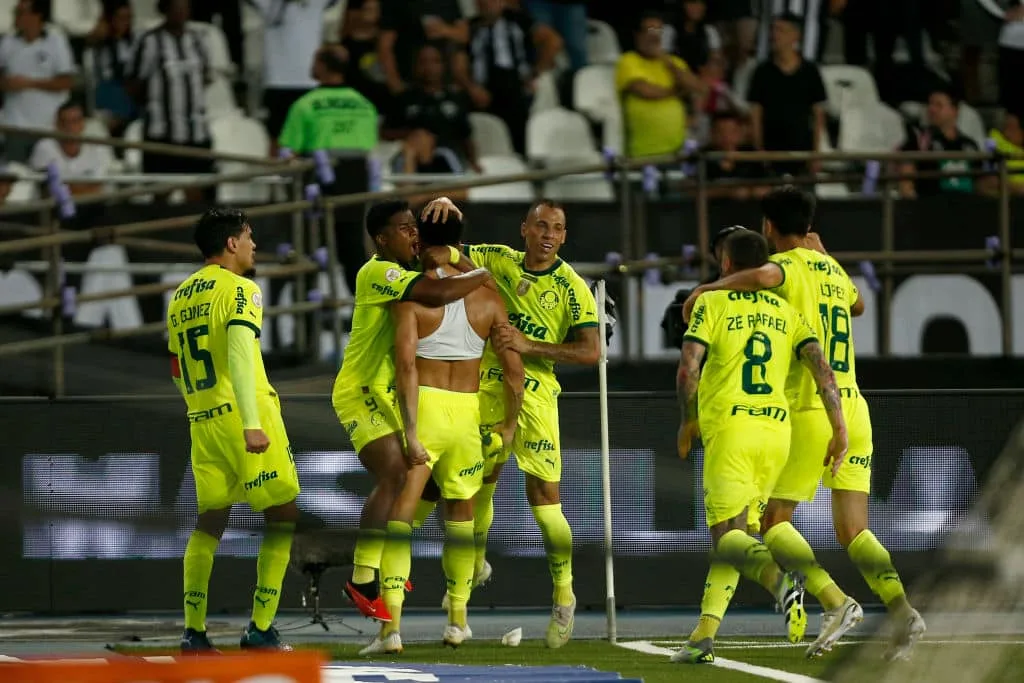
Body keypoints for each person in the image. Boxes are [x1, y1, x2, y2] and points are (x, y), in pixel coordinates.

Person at [682, 187, 927, 661]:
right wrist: (825, 256)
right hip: (853, 405)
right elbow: (856, 306)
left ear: (769, 228)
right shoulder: (832, 270)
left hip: (811, 407)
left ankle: (835, 604)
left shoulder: (783, 268)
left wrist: (703, 290)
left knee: (773, 520)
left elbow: (753, 277)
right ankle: (903, 612)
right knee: (854, 530)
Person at [672, 229, 848, 663]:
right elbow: (823, 371)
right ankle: (702, 637)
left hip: (732, 429)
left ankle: (784, 584)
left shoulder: (712, 302)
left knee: (727, 536)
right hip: (776, 433)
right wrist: (838, 427)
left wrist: (688, 419)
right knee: (739, 537)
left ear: (727, 265)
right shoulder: (788, 312)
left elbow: (687, 367)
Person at [359, 213, 525, 655]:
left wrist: (411, 431)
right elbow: (513, 372)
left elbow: (407, 367)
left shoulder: (411, 293)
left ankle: (389, 629)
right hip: (467, 413)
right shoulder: (487, 294)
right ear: (459, 244)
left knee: (401, 517)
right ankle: (457, 622)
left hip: (427, 409)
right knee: (461, 516)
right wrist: (508, 426)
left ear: (421, 241)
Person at [447, 199, 602, 649]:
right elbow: (449, 252)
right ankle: (473, 568)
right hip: (485, 388)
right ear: (525, 230)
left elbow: (591, 352)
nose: (548, 234)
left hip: (536, 398)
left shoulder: (573, 287)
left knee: (545, 500)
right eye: (541, 226)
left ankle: (564, 594)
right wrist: (442, 209)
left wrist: (530, 344)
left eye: (557, 227)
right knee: (476, 484)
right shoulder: (497, 258)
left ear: (564, 236)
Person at [332, 197, 493, 622]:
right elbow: (439, 292)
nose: (414, 234)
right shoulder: (378, 271)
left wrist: (439, 204)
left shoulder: (404, 270)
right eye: (405, 229)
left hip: (384, 391)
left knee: (429, 485)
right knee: (396, 473)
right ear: (381, 239)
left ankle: (386, 559)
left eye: (414, 227)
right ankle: (362, 576)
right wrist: (485, 275)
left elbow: (445, 244)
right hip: (360, 389)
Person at [167, 208, 300, 653]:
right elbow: (242, 355)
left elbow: (175, 366)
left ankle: (194, 632)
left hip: (202, 420)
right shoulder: (242, 290)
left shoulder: (181, 296)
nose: (254, 245)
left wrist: (199, 409)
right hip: (244, 415)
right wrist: (251, 423)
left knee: (210, 522)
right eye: (249, 237)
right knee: (282, 515)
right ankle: (261, 629)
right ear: (231, 244)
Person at [278, 46, 379, 295]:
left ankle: (309, 325)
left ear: (322, 66)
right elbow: (368, 148)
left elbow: (287, 154)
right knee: (353, 253)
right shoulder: (364, 104)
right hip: (357, 181)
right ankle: (370, 322)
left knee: (309, 254)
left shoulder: (306, 105)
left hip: (318, 184)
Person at [0, 0, 75, 163]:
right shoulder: (7, 42)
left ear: (37, 16)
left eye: (21, 13)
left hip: (48, 128)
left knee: (48, 179)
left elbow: (66, 82)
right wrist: (7, 84)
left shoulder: (56, 41)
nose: (16, 17)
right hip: (15, 128)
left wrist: (29, 83)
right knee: (17, 178)